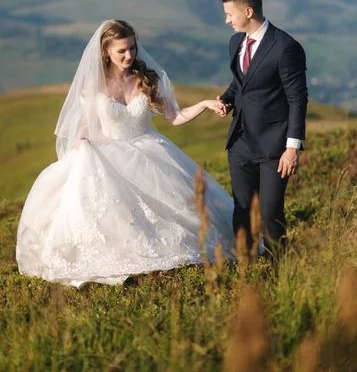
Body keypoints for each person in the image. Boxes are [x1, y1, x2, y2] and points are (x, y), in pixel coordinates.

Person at [16, 20, 235, 287]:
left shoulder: (146, 79)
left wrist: (204, 103)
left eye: (132, 48)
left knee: (179, 210)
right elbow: (84, 128)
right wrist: (82, 143)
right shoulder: (93, 85)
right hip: (109, 155)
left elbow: (174, 117)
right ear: (106, 51)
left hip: (149, 153)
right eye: (121, 51)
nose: (129, 55)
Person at [218, 0, 308, 256]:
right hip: (240, 143)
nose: (227, 20)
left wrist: (292, 149)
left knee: (270, 214)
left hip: (274, 148)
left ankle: (279, 271)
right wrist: (225, 100)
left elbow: (297, 99)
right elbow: (240, 83)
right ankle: (246, 269)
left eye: (230, 14)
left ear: (248, 11)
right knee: (242, 211)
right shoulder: (235, 42)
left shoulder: (286, 47)